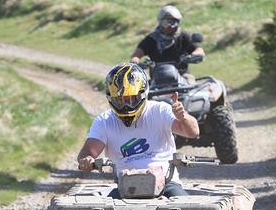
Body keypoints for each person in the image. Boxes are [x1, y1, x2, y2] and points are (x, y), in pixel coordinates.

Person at [77, 62, 199, 198]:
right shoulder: (104, 121)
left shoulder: (159, 110)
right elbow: (88, 152)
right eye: (120, 100)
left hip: (167, 183)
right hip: (126, 186)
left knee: (189, 209)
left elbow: (193, 132)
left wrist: (183, 118)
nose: (126, 106)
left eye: (131, 99)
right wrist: (86, 160)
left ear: (143, 93)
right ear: (110, 99)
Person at [130, 5, 205, 83]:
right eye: (166, 22)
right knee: (142, 90)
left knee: (191, 84)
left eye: (173, 22)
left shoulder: (183, 36)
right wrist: (136, 63)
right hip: (156, 80)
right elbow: (136, 55)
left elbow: (198, 49)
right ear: (160, 22)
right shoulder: (152, 38)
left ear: (178, 22)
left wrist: (194, 55)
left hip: (183, 76)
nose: (170, 26)